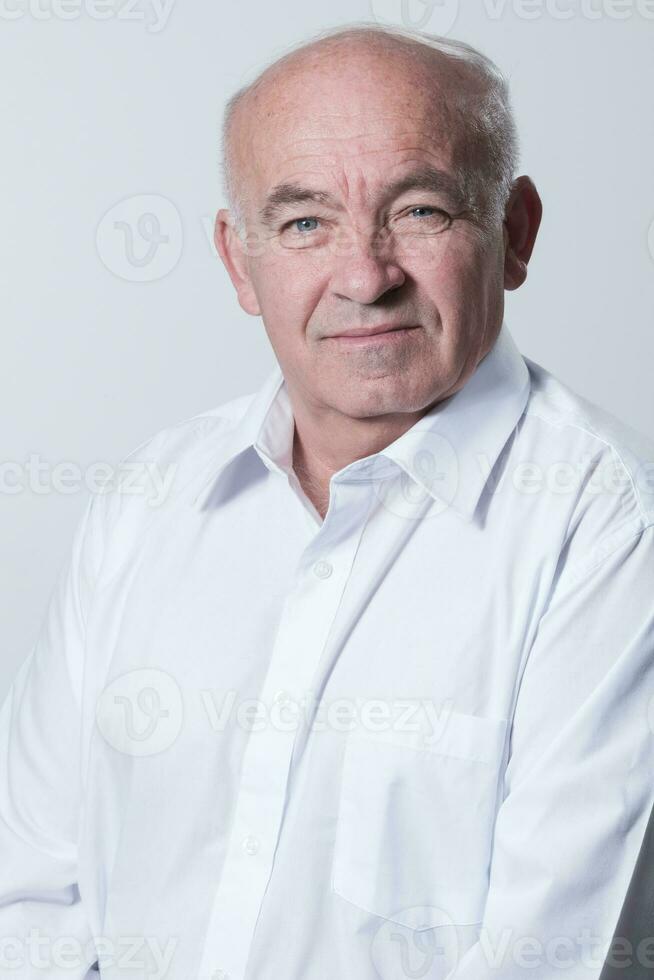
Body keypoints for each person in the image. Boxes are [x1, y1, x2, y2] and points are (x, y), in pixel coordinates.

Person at [1, 21, 653, 980]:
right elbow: (33, 900)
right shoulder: (149, 500)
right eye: (305, 223)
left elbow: (554, 960)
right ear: (239, 261)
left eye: (421, 211)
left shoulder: (610, 528)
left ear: (514, 235)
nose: (365, 276)